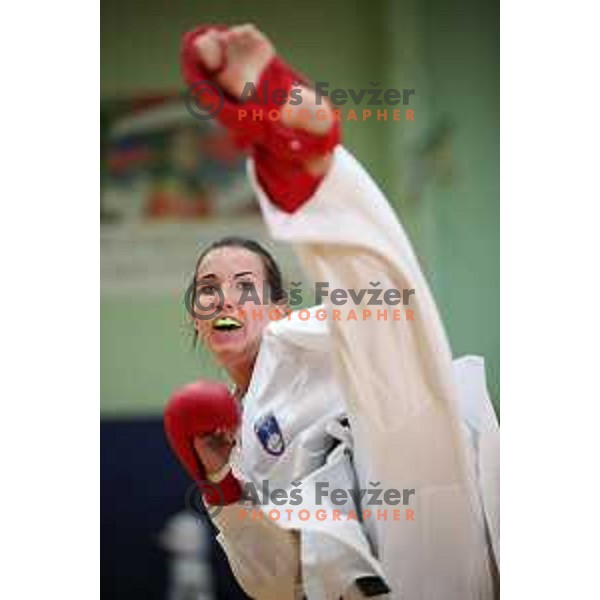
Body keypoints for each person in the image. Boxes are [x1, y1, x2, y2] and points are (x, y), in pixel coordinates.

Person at [166, 23, 499, 600]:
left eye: (246, 287)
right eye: (208, 290)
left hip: (419, 491)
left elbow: (382, 325)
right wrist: (221, 485)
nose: (224, 300)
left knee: (377, 328)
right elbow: (273, 586)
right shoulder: (236, 439)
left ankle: (308, 167)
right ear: (195, 316)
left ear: (275, 306)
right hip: (362, 582)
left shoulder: (298, 338)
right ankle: (308, 171)